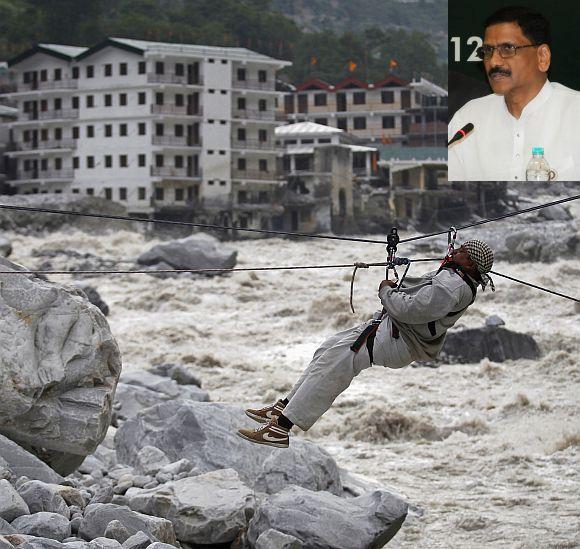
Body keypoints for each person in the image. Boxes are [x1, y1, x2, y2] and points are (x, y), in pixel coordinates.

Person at [237, 239, 495, 448]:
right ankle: (283, 406)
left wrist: (386, 291)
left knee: (336, 365)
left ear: (470, 264)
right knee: (327, 350)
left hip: (398, 338)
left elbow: (413, 310)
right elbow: (421, 296)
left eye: (462, 251)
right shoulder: (455, 278)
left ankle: (281, 428)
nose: (456, 251)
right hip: (391, 328)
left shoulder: (452, 285)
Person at [448, 6, 580, 181]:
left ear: (542, 57)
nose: (494, 61)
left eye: (508, 49)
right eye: (487, 51)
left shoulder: (575, 112)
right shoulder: (467, 119)